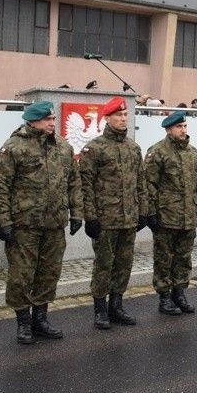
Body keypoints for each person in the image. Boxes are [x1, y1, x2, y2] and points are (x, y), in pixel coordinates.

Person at [0, 101, 83, 344]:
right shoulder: (13, 147)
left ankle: (40, 319)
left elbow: (73, 182)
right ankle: (23, 323)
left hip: (54, 224)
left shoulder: (63, 147)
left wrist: (76, 214)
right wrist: (3, 221)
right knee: (22, 276)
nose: (52, 122)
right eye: (47, 119)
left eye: (53, 118)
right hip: (24, 225)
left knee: (49, 273)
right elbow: (0, 186)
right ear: (31, 121)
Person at [78, 97, 147, 330]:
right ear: (107, 118)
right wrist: (90, 217)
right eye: (118, 115)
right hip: (105, 219)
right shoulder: (94, 148)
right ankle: (100, 309)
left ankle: (116, 306)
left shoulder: (133, 148)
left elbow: (141, 182)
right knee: (104, 265)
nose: (123, 119)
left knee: (124, 264)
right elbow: (85, 185)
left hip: (129, 218)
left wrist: (143, 212)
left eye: (125, 115)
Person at [143, 110, 197, 316]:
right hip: (166, 216)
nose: (183, 130)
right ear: (169, 130)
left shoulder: (194, 153)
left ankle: (180, 293)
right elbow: (149, 184)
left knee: (183, 258)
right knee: (164, 259)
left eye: (184, 126)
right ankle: (164, 297)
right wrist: (150, 213)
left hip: (188, 215)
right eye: (179, 127)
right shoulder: (158, 152)